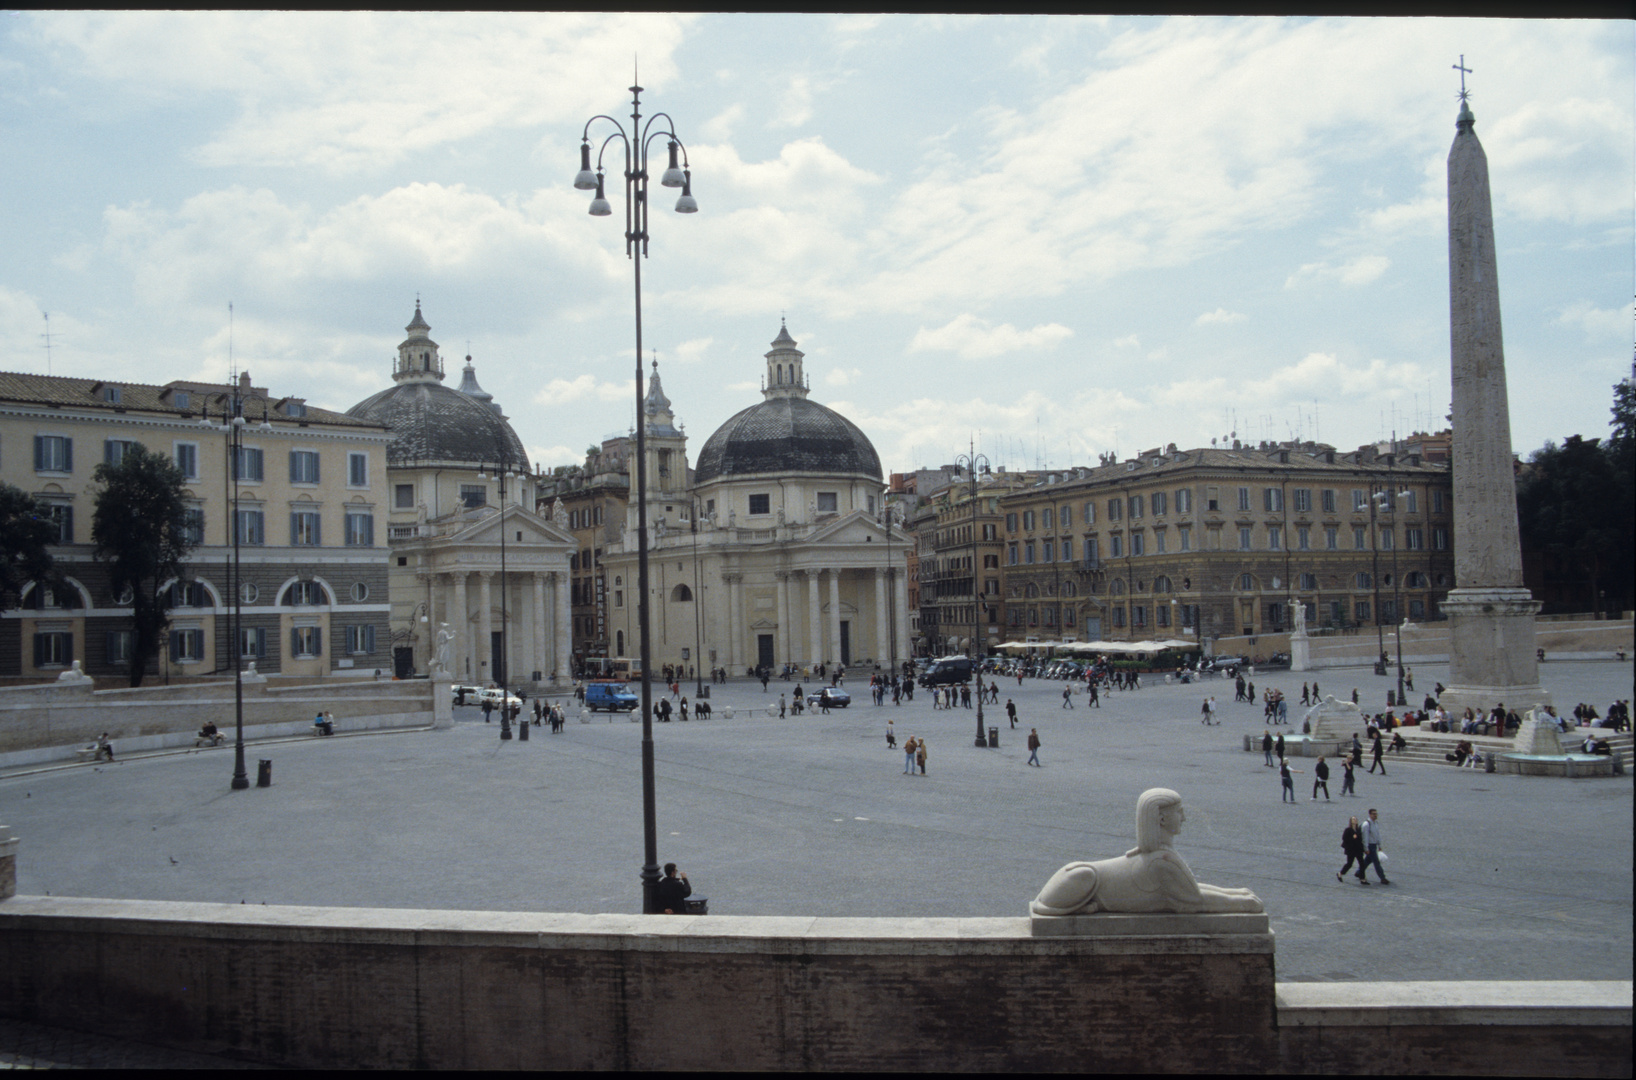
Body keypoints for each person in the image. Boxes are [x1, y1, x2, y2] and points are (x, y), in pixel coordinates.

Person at [1355, 808, 1389, 884]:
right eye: (1373, 814)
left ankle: (1358, 872)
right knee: (1376, 862)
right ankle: (1382, 877)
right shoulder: (1366, 825)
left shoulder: (1375, 823)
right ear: (1369, 814)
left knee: (1367, 861)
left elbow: (1377, 835)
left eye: (1376, 814)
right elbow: (1365, 837)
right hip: (1370, 846)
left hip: (1374, 845)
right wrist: (1366, 848)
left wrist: (1379, 845)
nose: (1375, 815)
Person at [1338, 816, 1366, 881]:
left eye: (1355, 819)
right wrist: (1352, 837)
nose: (1354, 820)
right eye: (1353, 819)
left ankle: (1362, 878)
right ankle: (1340, 873)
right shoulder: (1348, 830)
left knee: (1362, 864)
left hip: (1358, 850)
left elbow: (1360, 839)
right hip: (1351, 850)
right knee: (1349, 864)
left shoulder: (1358, 830)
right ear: (1350, 821)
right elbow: (1344, 839)